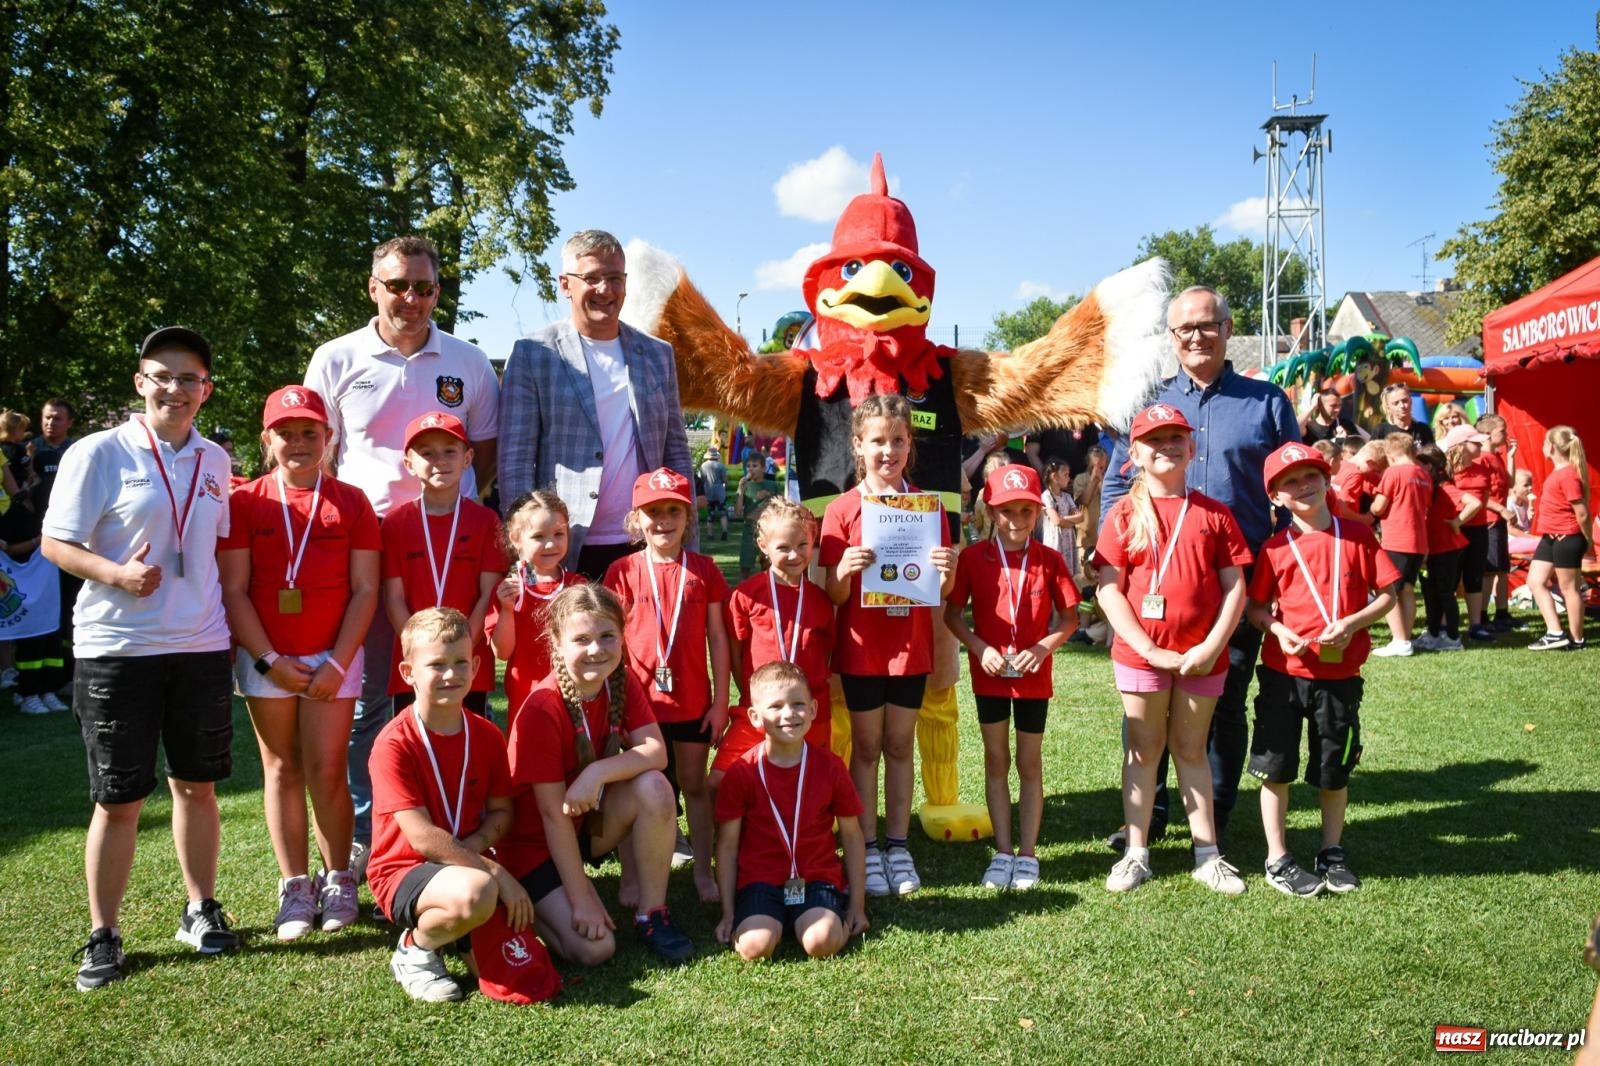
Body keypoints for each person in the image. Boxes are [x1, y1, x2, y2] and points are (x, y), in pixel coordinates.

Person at [43, 326, 239, 990]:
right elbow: (55, 543)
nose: (175, 389)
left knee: (197, 786)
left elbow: (215, 551)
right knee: (119, 799)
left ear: (205, 391)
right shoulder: (99, 451)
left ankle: (200, 908)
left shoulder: (215, 460)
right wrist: (116, 574)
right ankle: (104, 932)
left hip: (201, 645)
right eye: (162, 375)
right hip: (118, 649)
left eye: (189, 379)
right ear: (140, 382)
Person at [304, 234, 501, 883]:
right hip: (365, 557)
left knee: (462, 695)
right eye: (397, 286)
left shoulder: (469, 362)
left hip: (451, 549)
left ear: (438, 292)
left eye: (423, 287)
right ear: (373, 288)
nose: (411, 299)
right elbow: (319, 456)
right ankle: (371, 830)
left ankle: (468, 824)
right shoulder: (335, 358)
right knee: (370, 704)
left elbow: (488, 454)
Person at [1100, 285, 1298, 848]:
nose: (1195, 337)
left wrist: (1283, 570)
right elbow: (1118, 479)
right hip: (1154, 582)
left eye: (1206, 325)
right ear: (1171, 337)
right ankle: (1150, 814)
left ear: (1228, 329)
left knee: (1224, 700)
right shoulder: (1153, 402)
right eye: (1184, 328)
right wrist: (1120, 539)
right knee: (1148, 700)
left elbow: (1291, 487)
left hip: (1237, 581)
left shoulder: (1266, 403)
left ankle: (1213, 820)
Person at [217, 386, 380, 939]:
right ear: (268, 440)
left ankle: (337, 878)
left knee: (329, 768)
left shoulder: (352, 502)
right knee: (282, 768)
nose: (299, 443)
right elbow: (235, 590)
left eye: (310, 432)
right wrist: (268, 661)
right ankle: (295, 886)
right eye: (286, 433)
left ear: (329, 437)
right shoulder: (246, 502)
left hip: (335, 657)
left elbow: (365, 591)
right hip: (268, 658)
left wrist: (337, 663)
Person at [1096, 405, 1251, 896]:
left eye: (1175, 438)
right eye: (1154, 439)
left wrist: (1211, 644)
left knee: (1191, 750)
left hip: (1202, 657)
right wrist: (1147, 648)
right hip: (1142, 657)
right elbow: (1108, 590)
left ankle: (1207, 854)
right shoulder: (1123, 514)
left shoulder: (1215, 513)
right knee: (1143, 750)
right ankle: (1136, 851)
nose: (1166, 447)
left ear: (1192, 447)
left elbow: (1235, 589)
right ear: (1135, 453)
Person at [498, 584, 695, 965]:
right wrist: (582, 896)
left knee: (655, 787)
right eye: (582, 639)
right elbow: (552, 815)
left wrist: (598, 773)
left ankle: (651, 913)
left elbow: (656, 753)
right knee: (595, 949)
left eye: (607, 636)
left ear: (622, 636)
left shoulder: (619, 680)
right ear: (556, 642)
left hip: (585, 825)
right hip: (533, 846)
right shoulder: (542, 705)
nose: (596, 650)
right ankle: (524, 900)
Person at [1246, 443, 1400, 896]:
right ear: (1275, 496)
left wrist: (1353, 623)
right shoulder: (1275, 549)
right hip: (1284, 672)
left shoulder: (1357, 537)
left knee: (1335, 769)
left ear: (1327, 478)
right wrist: (1277, 630)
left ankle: (1331, 851)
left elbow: (1389, 594)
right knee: (1276, 768)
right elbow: (1257, 608)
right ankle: (1277, 858)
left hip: (1340, 677)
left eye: (1310, 476)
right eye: (1289, 482)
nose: (1303, 486)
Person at [497, 229, 694, 580]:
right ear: (565, 284)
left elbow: (675, 451)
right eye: (592, 278)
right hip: (564, 545)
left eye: (614, 278)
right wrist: (523, 546)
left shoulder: (657, 355)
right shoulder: (533, 354)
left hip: (645, 540)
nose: (605, 289)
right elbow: (515, 460)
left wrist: (688, 538)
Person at [821, 393, 956, 897]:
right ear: (858, 445)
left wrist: (946, 571)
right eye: (877, 440)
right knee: (867, 747)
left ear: (909, 444)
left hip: (910, 647)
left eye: (898, 440)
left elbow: (938, 594)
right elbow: (834, 594)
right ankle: (868, 846)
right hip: (861, 649)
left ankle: (898, 846)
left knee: (899, 745)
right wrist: (844, 569)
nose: (888, 450)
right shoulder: (840, 510)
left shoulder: (927, 507)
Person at [367, 607, 529, 1001]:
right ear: (409, 673)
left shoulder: (488, 735)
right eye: (436, 664)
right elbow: (421, 839)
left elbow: (503, 812)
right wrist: (495, 871)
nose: (451, 675)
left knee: (550, 948)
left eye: (460, 663)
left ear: (476, 666)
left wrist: (474, 849)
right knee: (477, 892)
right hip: (403, 870)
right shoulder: (394, 743)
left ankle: (460, 938)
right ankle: (416, 949)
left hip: (464, 862)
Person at [944, 464, 1079, 891]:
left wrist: (1042, 648)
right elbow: (952, 613)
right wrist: (978, 647)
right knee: (996, 760)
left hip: (1033, 679)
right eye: (1007, 512)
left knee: (1029, 762)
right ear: (989, 510)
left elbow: (1070, 618)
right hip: (990, 678)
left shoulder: (1050, 560)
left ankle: (1028, 854)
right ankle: (1002, 851)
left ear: (1038, 512)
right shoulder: (972, 559)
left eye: (1025, 511)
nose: (1017, 521)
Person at [602, 468, 730, 902]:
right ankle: (632, 876)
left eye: (673, 510)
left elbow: (718, 639)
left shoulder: (706, 571)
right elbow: (611, 642)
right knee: (634, 785)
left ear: (688, 516)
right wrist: (615, 702)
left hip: (692, 701)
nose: (663, 520)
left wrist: (719, 703)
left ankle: (704, 872)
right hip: (638, 707)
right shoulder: (620, 571)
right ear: (636, 518)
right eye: (652, 511)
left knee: (693, 784)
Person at [714, 661, 868, 960]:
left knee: (821, 943)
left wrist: (857, 906)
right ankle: (767, 919)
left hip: (816, 879)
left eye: (798, 704)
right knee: (754, 948)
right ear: (755, 717)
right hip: (760, 880)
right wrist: (728, 914)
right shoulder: (742, 772)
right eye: (776, 706)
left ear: (812, 709)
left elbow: (851, 836)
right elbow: (727, 846)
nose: (788, 714)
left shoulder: (832, 767)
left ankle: (806, 918)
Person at [381, 412, 505, 714]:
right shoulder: (396, 524)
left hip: (468, 661)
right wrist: (421, 650)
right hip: (415, 663)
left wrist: (459, 648)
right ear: (408, 463)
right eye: (427, 453)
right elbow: (393, 597)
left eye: (450, 451)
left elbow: (487, 596)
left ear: (467, 458)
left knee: (468, 746)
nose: (440, 461)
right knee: (417, 747)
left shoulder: (486, 521)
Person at [716, 497, 836, 784]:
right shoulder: (745, 596)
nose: (794, 555)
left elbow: (826, 654)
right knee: (720, 781)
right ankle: (735, 831)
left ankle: (805, 830)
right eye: (783, 547)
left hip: (810, 713)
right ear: (763, 546)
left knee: (808, 783)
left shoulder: (821, 599)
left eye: (802, 546)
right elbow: (736, 653)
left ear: (813, 542)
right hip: (757, 711)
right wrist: (756, 693)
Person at [487, 489, 585, 728]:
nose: (550, 543)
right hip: (525, 695)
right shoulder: (507, 589)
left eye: (559, 534)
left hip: (574, 693)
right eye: (539, 536)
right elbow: (502, 652)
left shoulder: (578, 586)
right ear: (515, 538)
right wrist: (507, 610)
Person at [1526, 426, 1591, 651]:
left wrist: (1587, 541)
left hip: (1567, 537)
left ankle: (1577, 639)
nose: (1543, 446)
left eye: (1545, 442)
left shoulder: (1568, 475)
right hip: (1550, 537)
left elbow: (1581, 513)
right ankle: (1555, 632)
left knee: (1569, 589)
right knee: (1535, 581)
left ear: (1551, 447)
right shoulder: (1559, 473)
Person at [1370, 433, 1432, 657]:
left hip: (1397, 538)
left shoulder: (1393, 472)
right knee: (1407, 589)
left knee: (1389, 591)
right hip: (1418, 540)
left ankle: (1399, 640)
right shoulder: (1423, 473)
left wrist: (1370, 510)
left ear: (1390, 454)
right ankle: (1405, 638)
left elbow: (1378, 507)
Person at [1441, 424, 1497, 642]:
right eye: (1475, 441)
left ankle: (1476, 624)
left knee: (1475, 575)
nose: (1480, 444)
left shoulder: (1482, 467)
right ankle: (1445, 624)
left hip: (1478, 529)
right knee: (1451, 578)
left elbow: (1485, 499)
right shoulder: (1446, 471)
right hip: (1453, 529)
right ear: (1461, 446)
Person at [1412, 445, 1470, 653]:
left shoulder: (1446, 487)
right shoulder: (1430, 487)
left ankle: (1453, 637)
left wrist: (1457, 522)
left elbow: (1473, 502)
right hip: (1431, 549)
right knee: (1430, 592)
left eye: (1418, 464)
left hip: (1447, 548)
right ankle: (1433, 632)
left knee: (1445, 593)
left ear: (1429, 466)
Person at [1474, 414, 1519, 630]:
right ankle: (1482, 616)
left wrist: (1511, 457)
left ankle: (1502, 613)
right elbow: (1479, 494)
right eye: (1502, 430)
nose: (1506, 434)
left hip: (1499, 520)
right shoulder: (1481, 458)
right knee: (1489, 570)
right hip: (1489, 520)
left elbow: (1508, 483)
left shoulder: (1497, 457)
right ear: (1487, 434)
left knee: (1502, 568)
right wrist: (1500, 510)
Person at [734, 454, 781, 580]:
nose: (750, 469)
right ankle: (742, 593)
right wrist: (740, 491)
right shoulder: (746, 486)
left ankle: (767, 592)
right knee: (745, 566)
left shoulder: (772, 485)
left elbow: (780, 506)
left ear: (763, 468)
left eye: (755, 466)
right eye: (748, 466)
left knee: (768, 565)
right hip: (749, 529)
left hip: (768, 530)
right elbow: (738, 511)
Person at [1299, 387, 1364, 445]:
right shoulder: (1310, 427)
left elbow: (1360, 445)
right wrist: (1312, 406)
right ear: (1320, 405)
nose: (1338, 409)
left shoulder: (1346, 425)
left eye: (1340, 405)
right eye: (1333, 406)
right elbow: (1296, 427)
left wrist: (1347, 440)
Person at [699, 448, 729, 541]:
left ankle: (710, 534)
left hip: (708, 492)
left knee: (710, 513)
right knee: (723, 512)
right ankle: (724, 530)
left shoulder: (703, 466)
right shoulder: (721, 466)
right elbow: (725, 480)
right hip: (720, 492)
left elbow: (701, 480)